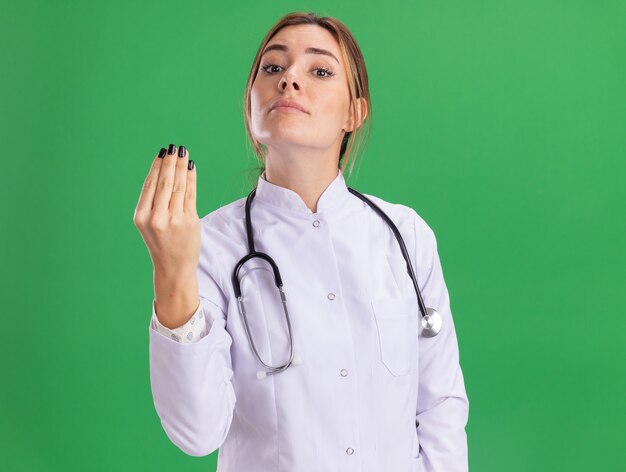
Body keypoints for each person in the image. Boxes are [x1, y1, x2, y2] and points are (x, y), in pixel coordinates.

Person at [134, 11, 469, 472]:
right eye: (273, 67)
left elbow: (440, 409)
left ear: (355, 112)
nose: (289, 78)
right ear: (251, 104)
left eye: (320, 70)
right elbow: (196, 432)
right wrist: (171, 273)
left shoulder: (405, 236)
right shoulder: (209, 244)